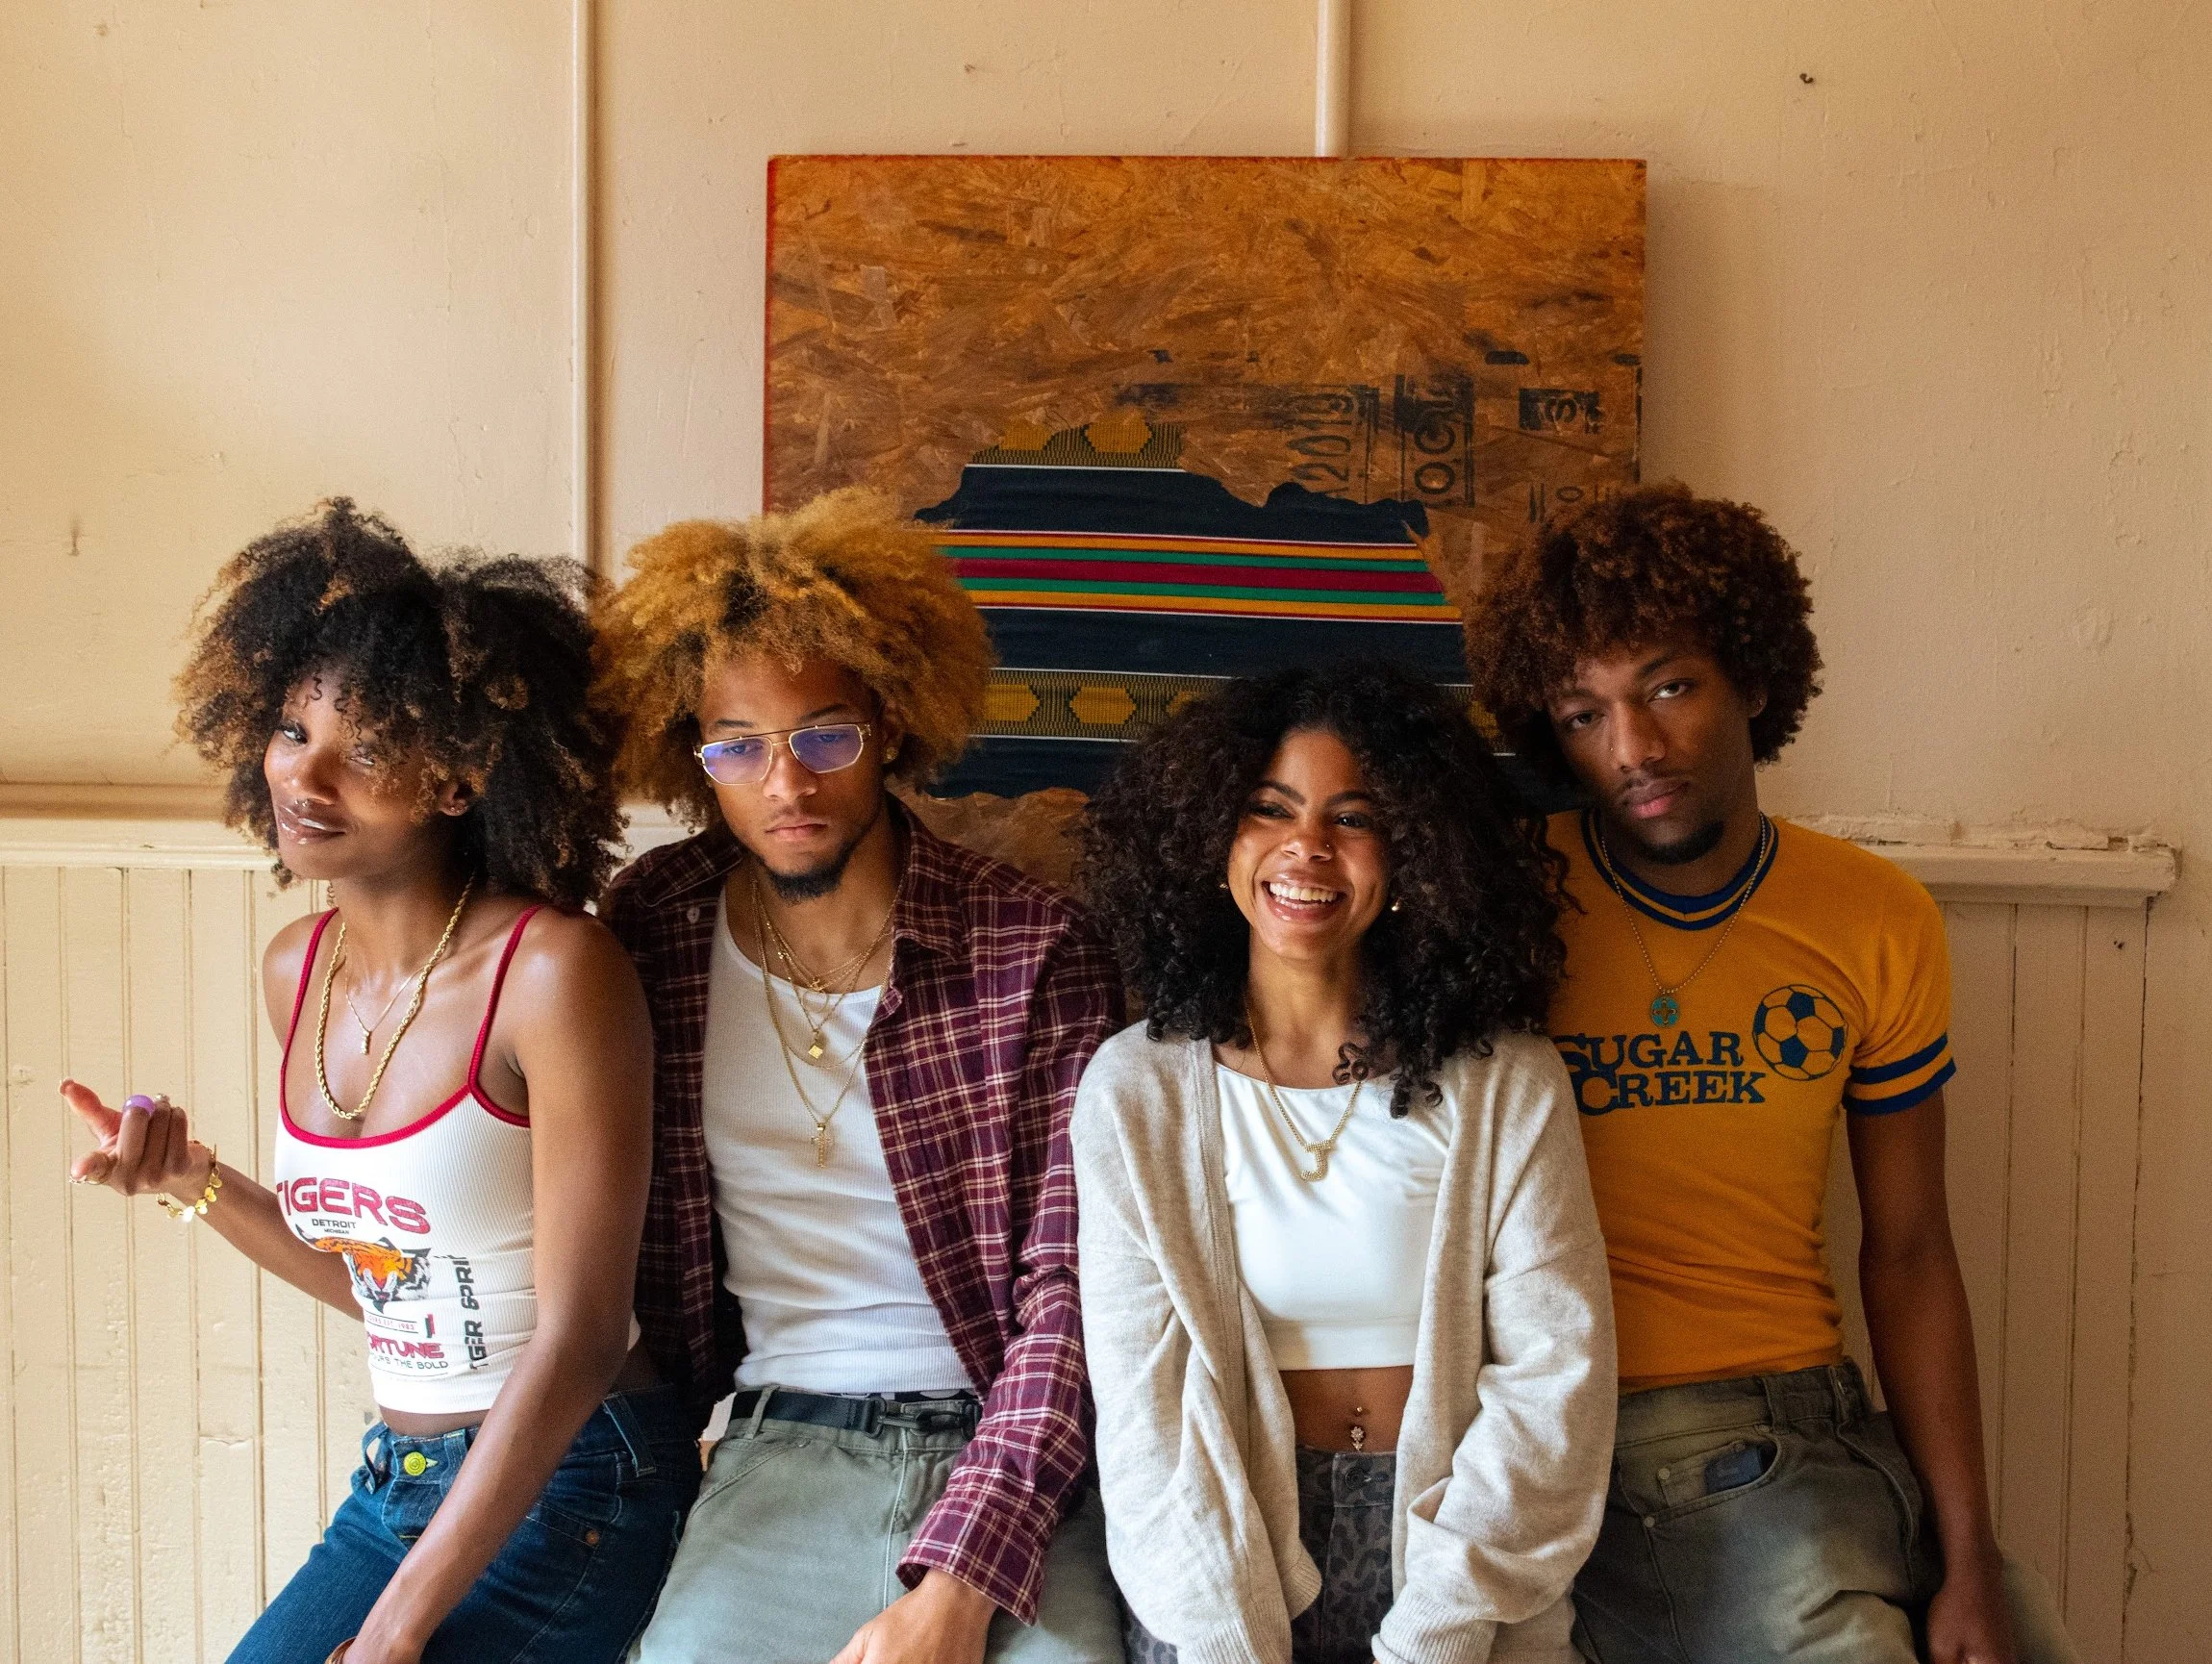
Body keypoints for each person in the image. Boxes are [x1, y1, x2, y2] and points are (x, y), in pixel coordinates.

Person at [63, 500, 695, 1664]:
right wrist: (192, 1182)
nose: (310, 774)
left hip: (578, 1477)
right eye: (294, 729)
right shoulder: (296, 968)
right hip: (399, 1481)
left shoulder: (553, 971)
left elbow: (584, 1331)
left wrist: (399, 1622)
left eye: (366, 747)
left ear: (457, 780)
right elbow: (392, 1286)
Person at [1464, 482, 2078, 1664]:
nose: (1632, 747)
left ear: (1751, 675)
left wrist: (1965, 1554)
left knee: (2024, 1630)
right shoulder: (1505, 902)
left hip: (1827, 1417)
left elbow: (1907, 1247)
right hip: (1625, 1442)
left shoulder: (1871, 916)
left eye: (1667, 686)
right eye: (1584, 714)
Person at [591, 489, 1127, 1664]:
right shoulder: (652, 931)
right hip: (775, 1447)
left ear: (888, 720)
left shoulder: (1027, 949)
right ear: (696, 759)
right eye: (737, 745)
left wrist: (960, 1578)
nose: (785, 783)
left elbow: (1075, 1293)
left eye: (822, 733)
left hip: (1014, 1450)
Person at [1071, 661, 1617, 1664]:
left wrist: (1436, 1632)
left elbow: (1554, 1381)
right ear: (1211, 842)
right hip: (1223, 1564)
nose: (1305, 847)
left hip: (1467, 1559)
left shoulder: (1507, 1082)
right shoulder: (1132, 1090)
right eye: (1266, 809)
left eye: (1352, 817)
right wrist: (1225, 1640)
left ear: (1413, 854)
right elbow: (1145, 1424)